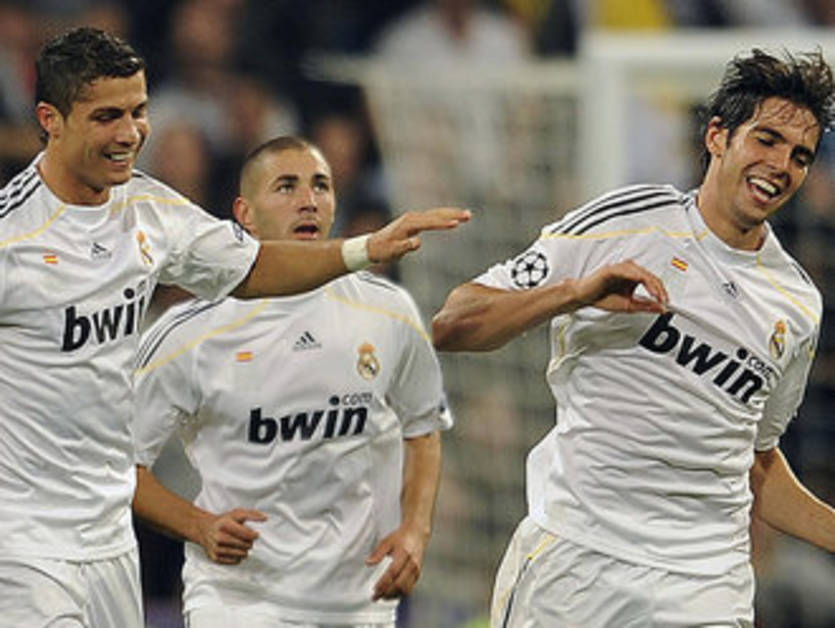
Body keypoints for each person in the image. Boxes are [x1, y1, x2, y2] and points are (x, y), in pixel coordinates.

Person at [0, 27, 468, 628]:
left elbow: (253, 267)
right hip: (24, 540)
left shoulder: (149, 210)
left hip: (109, 540)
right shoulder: (13, 239)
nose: (130, 133)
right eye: (107, 117)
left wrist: (363, 249)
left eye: (139, 111)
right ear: (50, 120)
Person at [432, 48, 835, 626]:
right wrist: (575, 293)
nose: (781, 165)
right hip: (579, 562)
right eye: (766, 139)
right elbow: (454, 323)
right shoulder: (629, 223)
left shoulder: (795, 304)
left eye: (800, 155)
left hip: (707, 585)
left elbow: (755, 459)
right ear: (717, 137)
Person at [131, 136, 450, 627]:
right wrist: (200, 525)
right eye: (286, 186)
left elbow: (423, 427)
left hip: (358, 602)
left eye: (321, 186)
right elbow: (118, 465)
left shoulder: (388, 311)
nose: (308, 200)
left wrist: (415, 529)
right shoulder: (189, 333)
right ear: (245, 214)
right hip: (239, 600)